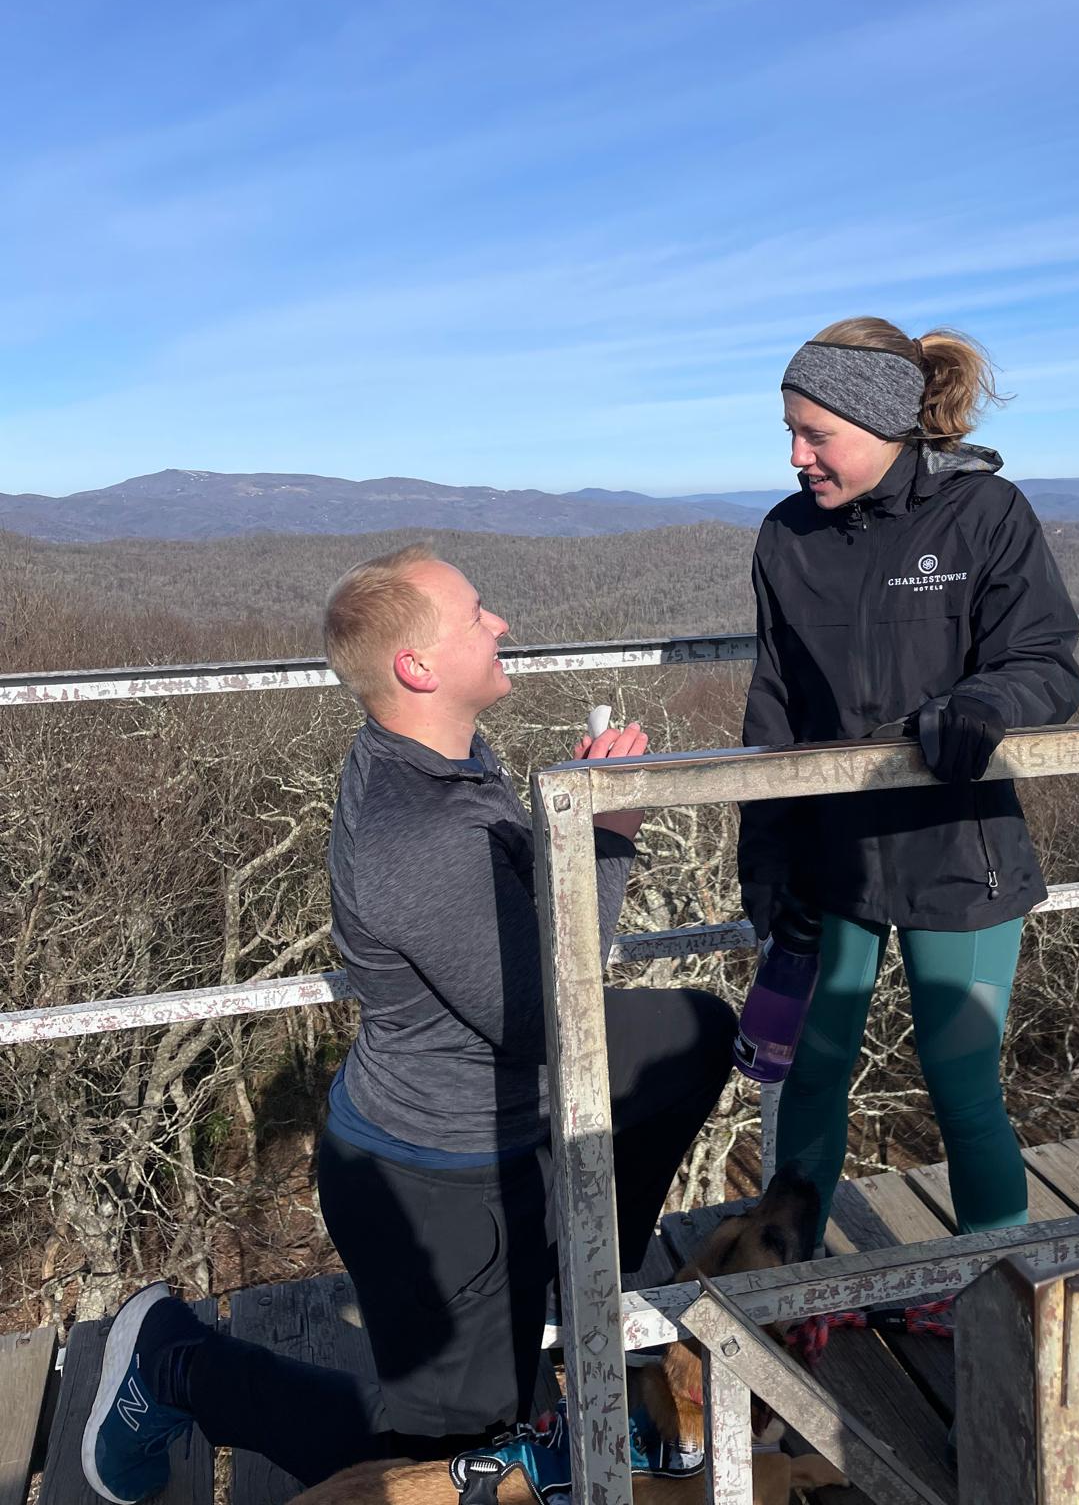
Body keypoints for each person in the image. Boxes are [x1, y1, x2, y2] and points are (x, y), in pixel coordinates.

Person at [83, 546, 735, 1503]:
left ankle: (575, 1262)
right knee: (457, 1464)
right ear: (419, 668)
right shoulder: (420, 833)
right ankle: (177, 1365)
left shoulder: (440, 757)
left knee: (692, 1036)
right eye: (478, 615)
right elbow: (548, 1016)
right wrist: (606, 834)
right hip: (438, 1180)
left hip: (480, 1124)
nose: (501, 623)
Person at [738, 318, 1079, 1246]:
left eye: (817, 434)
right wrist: (763, 860)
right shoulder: (786, 537)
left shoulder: (984, 515)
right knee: (809, 1072)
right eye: (790, 433)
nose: (797, 456)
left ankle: (1000, 1294)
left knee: (963, 1088)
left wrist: (989, 702)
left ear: (883, 421)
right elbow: (773, 705)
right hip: (826, 857)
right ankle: (788, 1286)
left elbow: (1049, 663)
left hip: (956, 847)